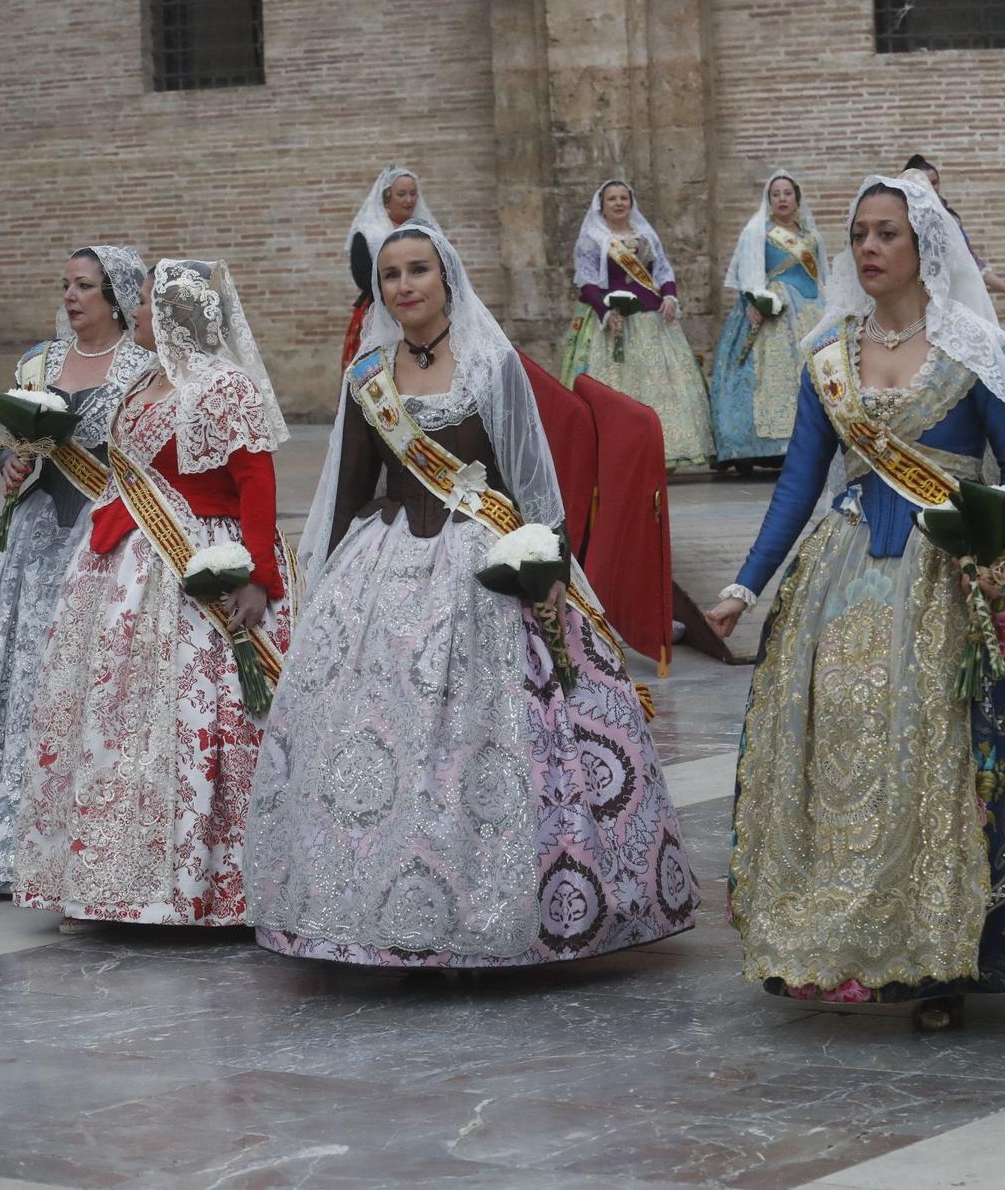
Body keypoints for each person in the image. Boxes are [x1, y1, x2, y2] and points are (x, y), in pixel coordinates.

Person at [245, 222, 697, 967]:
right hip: (387, 574)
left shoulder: (490, 364)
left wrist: (547, 573)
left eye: (418, 269)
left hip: (483, 570)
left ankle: (524, 900)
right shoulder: (368, 376)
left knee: (492, 742)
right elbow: (348, 492)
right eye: (391, 275)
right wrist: (318, 592)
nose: (405, 285)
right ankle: (369, 905)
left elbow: (532, 485)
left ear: (446, 276)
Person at [703, 174, 1005, 1030]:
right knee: (843, 738)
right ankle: (844, 940)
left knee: (944, 750)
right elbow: (799, 482)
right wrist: (743, 586)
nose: (870, 248)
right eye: (860, 235)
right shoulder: (826, 352)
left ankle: (941, 953)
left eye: (888, 234)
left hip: (953, 576)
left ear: (925, 248)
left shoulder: (972, 348)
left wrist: (991, 539)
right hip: (844, 579)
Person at [12, 257, 295, 930]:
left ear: (171, 315)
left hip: (194, 569)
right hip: (122, 576)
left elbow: (256, 481)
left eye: (141, 304)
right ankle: (111, 877)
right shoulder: (144, 379)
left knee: (192, 724)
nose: (133, 312)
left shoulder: (226, 387)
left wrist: (258, 575)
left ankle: (202, 885)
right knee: (116, 723)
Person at [0, 247, 156, 893]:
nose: (71, 297)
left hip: (103, 544)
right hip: (32, 543)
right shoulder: (37, 363)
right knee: (13, 676)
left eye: (85, 287)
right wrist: (12, 467)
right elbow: (16, 451)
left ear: (117, 296)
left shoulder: (141, 369)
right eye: (65, 285)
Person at [559, 179, 714, 467]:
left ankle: (663, 448)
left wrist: (670, 297)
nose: (618, 203)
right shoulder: (593, 237)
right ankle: (617, 450)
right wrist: (604, 311)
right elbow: (587, 280)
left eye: (623, 198)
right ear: (602, 206)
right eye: (612, 199)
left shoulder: (645, 234)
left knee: (661, 382)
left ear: (631, 203)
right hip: (611, 319)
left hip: (651, 318)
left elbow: (663, 271)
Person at [709, 171, 827, 471]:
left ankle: (813, 441)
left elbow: (821, 274)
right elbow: (750, 268)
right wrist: (754, 299)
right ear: (769, 199)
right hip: (774, 310)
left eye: (787, 193)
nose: (782, 198)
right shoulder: (758, 231)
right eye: (776, 194)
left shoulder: (810, 234)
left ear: (796, 198)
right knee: (769, 376)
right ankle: (766, 448)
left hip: (812, 309)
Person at [901, 155, 1005, 309]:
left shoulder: (950, 219)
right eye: (926, 183)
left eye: (935, 182)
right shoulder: (903, 220)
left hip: (957, 300)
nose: (932, 188)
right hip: (919, 302)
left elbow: (971, 260)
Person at [343, 166, 433, 367]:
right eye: (401, 194)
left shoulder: (426, 230)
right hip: (380, 311)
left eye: (413, 193)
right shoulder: (368, 234)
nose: (409, 200)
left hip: (425, 309)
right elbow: (362, 277)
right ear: (387, 197)